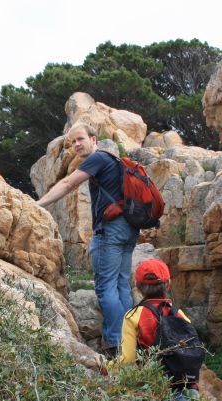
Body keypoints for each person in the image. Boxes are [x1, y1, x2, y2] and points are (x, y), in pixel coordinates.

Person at [36, 123, 139, 352]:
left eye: (80, 139)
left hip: (110, 231)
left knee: (105, 288)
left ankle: (115, 344)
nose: (76, 145)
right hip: (128, 229)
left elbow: (68, 183)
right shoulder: (114, 161)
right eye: (72, 142)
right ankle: (130, 342)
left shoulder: (97, 159)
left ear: (94, 139)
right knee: (121, 285)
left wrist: (37, 204)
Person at [105, 258, 201, 401]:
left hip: (155, 390)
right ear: (168, 284)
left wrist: (107, 367)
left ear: (138, 287)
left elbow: (127, 361)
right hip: (186, 387)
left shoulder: (133, 316)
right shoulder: (180, 314)